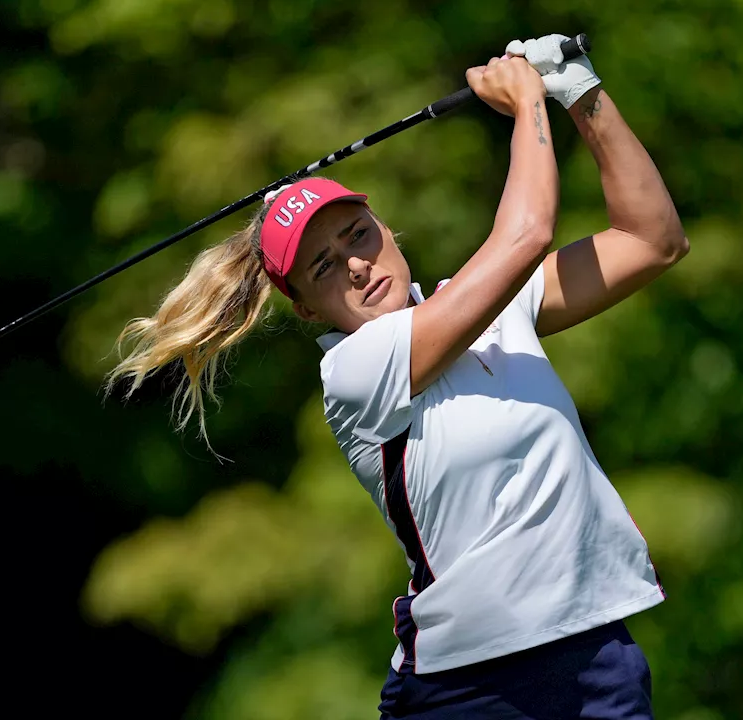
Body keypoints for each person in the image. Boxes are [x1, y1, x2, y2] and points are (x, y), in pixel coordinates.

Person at [107, 34, 688, 720]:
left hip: (598, 656)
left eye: (356, 233)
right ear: (304, 305)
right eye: (324, 266)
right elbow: (527, 231)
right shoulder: (356, 372)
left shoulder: (495, 308)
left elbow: (653, 240)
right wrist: (529, 100)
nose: (354, 263)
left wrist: (581, 94)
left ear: (383, 225)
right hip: (474, 691)